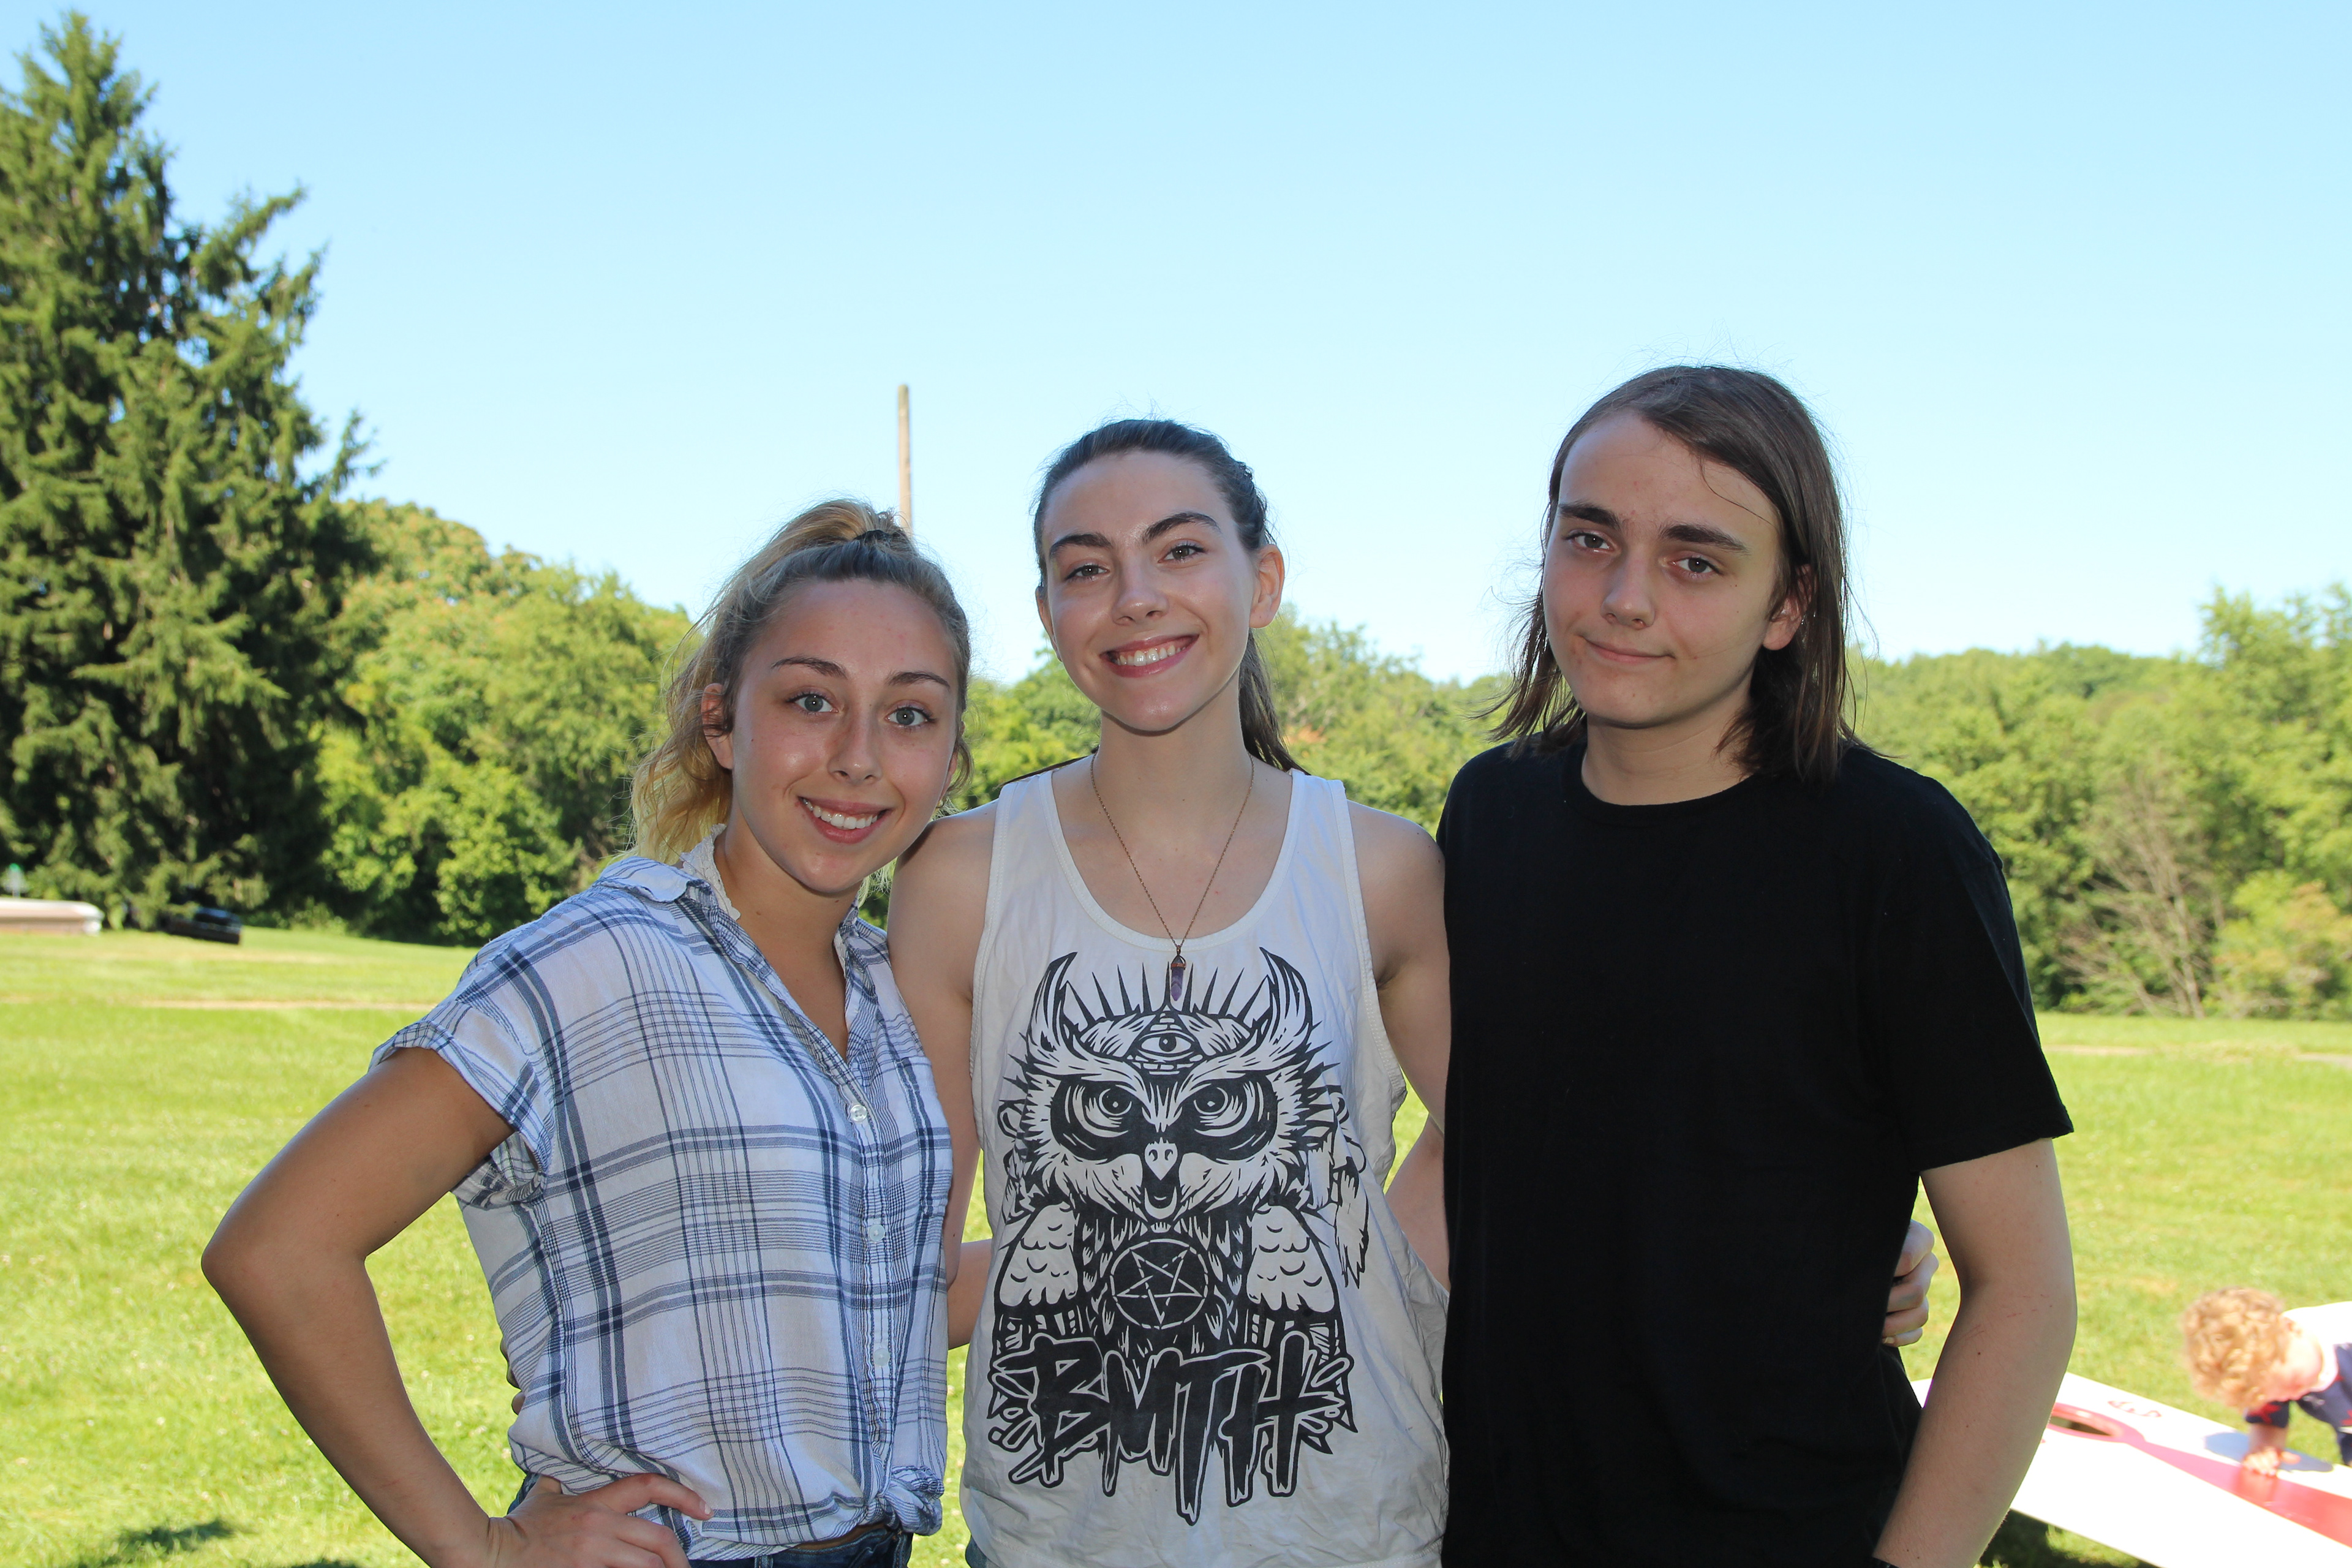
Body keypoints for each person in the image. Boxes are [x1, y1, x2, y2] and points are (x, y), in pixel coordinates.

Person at [884, 417, 1943, 1568]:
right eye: (1085, 567)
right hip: (1056, 1543)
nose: (1135, 595)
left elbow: (1536, 1144)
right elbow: (901, 1266)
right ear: (1048, 611)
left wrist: (1816, 1239)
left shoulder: (1380, 867)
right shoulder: (962, 877)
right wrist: (1133, 1261)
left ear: (1266, 579)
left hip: (1355, 1531)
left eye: (1181, 550)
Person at [204, 504, 971, 1568]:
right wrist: (484, 1546)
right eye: (810, 700)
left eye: (910, 715)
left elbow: (882, 1300)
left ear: (950, 754)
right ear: (721, 721)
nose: (857, 757)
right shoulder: (596, 964)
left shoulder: (899, 996)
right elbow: (279, 1249)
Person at [1436, 367, 2077, 1568]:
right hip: (1500, 1527)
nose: (1623, 596)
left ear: (1787, 604)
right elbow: (1487, 1146)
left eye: (1696, 559)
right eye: (1590, 538)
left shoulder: (1897, 852)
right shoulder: (1490, 814)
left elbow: (2027, 1289)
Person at [2181, 1288, 2352, 1473]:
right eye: (2280, 1395)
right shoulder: (2273, 1370)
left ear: (2291, 1328)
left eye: (2294, 1380)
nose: (2294, 1394)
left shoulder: (2344, 1340)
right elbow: (2268, 1420)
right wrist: (2265, 1448)